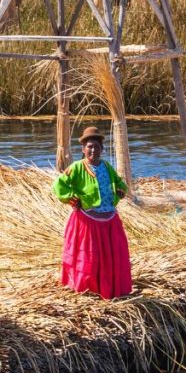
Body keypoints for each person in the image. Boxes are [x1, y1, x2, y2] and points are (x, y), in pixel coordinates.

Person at [53, 127, 132, 299]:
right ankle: (88, 287)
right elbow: (59, 185)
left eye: (97, 146)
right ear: (83, 149)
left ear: (102, 149)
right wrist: (72, 198)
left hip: (109, 217)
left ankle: (109, 286)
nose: (93, 150)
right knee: (89, 256)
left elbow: (119, 182)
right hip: (88, 220)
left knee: (111, 255)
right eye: (90, 146)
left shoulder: (106, 166)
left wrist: (120, 190)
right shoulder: (77, 168)